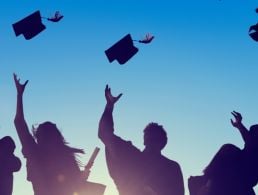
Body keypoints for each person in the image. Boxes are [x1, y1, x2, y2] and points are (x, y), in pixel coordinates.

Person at [98, 85, 184, 195]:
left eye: (155, 138)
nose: (152, 141)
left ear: (162, 143)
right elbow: (105, 134)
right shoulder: (130, 155)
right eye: (150, 137)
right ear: (145, 140)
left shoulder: (171, 167)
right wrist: (109, 106)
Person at [13, 73, 85, 195]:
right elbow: (77, 185)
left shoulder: (34, 152)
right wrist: (82, 176)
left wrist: (19, 94)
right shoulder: (64, 155)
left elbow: (19, 122)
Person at [188, 111, 258, 195]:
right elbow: (250, 140)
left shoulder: (236, 154)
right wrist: (239, 125)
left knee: (229, 148)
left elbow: (251, 141)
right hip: (238, 180)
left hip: (241, 179)